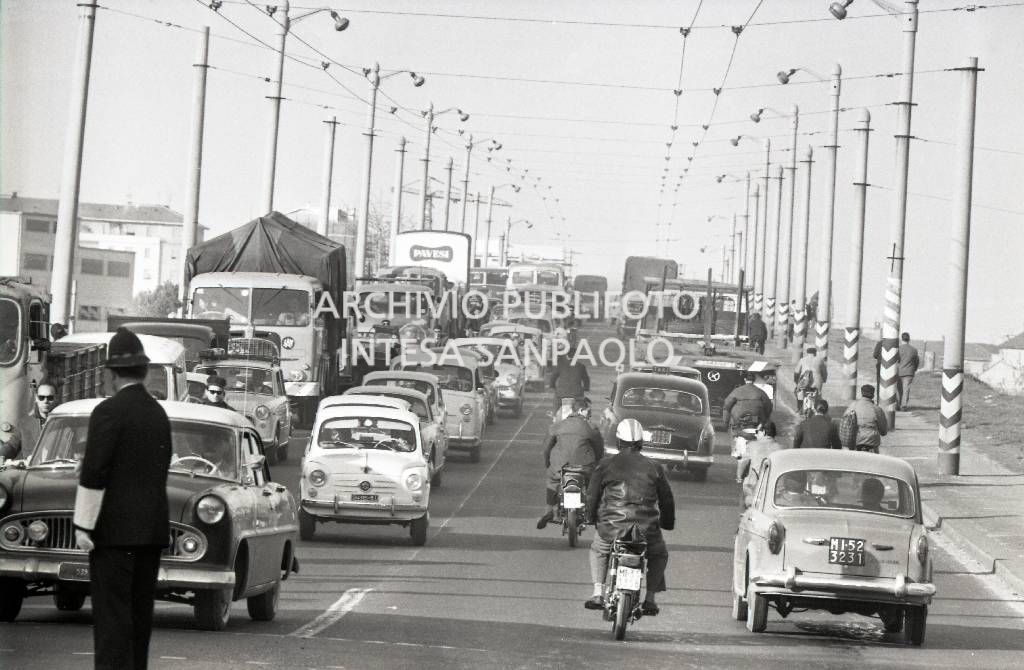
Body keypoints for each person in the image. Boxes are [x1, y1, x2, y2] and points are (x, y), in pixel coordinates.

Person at [73, 327, 172, 670]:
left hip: (113, 536)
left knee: (112, 623)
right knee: (139, 623)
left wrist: (83, 525)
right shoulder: (158, 414)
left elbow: (94, 472)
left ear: (112, 374)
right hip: (150, 534)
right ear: (143, 371)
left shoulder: (107, 412)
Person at [585, 419, 675, 616]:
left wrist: (590, 519)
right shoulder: (655, 467)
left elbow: (592, 496)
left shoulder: (605, 465)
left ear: (619, 441)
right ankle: (650, 598)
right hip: (646, 530)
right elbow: (667, 500)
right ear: (641, 442)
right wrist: (667, 523)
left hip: (611, 528)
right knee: (659, 554)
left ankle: (598, 592)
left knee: (599, 549)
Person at [537, 398, 604, 529]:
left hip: (560, 467)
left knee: (552, 481)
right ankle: (595, 513)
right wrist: (597, 463)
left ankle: (549, 510)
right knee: (594, 486)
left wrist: (548, 464)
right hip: (585, 468)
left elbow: (546, 448)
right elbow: (599, 449)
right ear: (581, 410)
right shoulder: (591, 427)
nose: (590, 415)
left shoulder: (558, 426)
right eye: (589, 411)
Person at [722, 372, 773, 481]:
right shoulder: (760, 392)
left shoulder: (736, 391)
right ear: (754, 380)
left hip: (739, 421)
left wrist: (725, 423)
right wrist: (764, 419)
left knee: (734, 430)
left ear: (745, 380)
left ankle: (736, 452)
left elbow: (726, 406)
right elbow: (768, 406)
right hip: (755, 420)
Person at [739, 421, 784, 507]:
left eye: (757, 432)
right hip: (774, 488)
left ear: (763, 432)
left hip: (753, 487)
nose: (755, 434)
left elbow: (743, 463)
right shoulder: (781, 449)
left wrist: (739, 477)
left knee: (744, 499)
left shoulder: (752, 446)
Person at [843, 384, 889, 453]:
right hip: (872, 442)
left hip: (855, 441)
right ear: (873, 395)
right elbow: (883, 431)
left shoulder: (852, 406)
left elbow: (844, 422)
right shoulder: (877, 409)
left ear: (861, 393)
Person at [897, 332, 920, 411]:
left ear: (901, 339)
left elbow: (897, 360)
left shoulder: (898, 349)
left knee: (899, 390)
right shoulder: (914, 350)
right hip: (909, 372)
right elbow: (917, 361)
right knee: (906, 389)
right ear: (909, 339)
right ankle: (903, 406)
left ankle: (898, 404)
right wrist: (914, 369)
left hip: (899, 372)